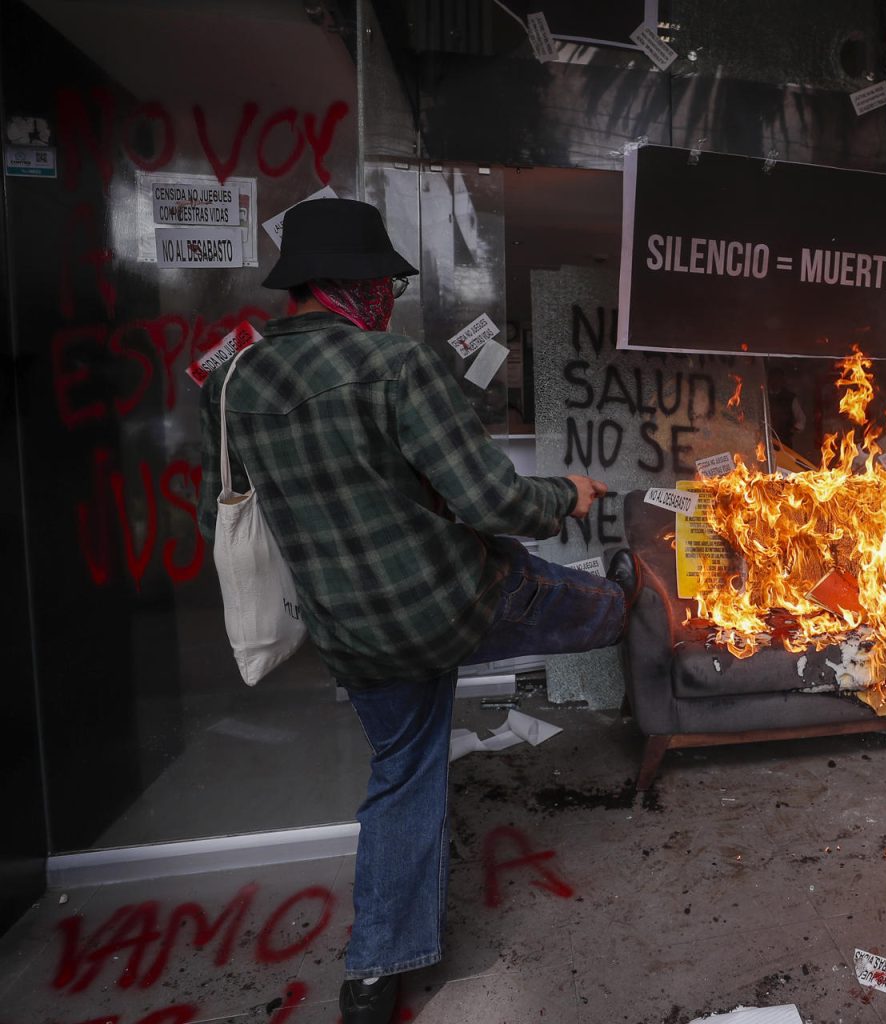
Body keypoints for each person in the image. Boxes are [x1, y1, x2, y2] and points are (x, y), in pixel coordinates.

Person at [196, 198, 635, 1024]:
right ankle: (636, 608)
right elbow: (490, 497)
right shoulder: (397, 365)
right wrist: (566, 494)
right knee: (585, 599)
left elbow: (219, 514)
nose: (387, 299)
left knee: (403, 772)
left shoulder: (231, 384)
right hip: (452, 601)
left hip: (352, 632)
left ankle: (373, 979)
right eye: (381, 285)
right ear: (352, 286)